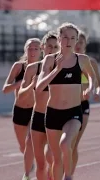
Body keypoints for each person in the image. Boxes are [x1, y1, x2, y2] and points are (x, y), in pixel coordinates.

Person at [36, 22, 97, 180]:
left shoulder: (82, 60)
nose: (68, 41)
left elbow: (92, 77)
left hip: (73, 112)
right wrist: (57, 69)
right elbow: (39, 86)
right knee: (56, 159)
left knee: (65, 145)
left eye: (72, 38)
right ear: (58, 39)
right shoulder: (49, 60)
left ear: (77, 40)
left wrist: (90, 88)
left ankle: (68, 176)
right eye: (65, 37)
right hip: (53, 114)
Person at [18, 31, 59, 180]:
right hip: (38, 117)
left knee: (52, 158)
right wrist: (31, 86)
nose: (52, 50)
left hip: (56, 117)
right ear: (43, 47)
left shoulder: (62, 69)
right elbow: (21, 95)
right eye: (49, 46)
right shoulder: (32, 69)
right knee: (41, 164)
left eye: (55, 47)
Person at [2, 38, 41, 180]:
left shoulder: (43, 67)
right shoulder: (18, 67)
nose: (32, 51)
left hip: (35, 110)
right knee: (22, 147)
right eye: (30, 48)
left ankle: (28, 175)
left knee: (29, 143)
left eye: (36, 48)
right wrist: (19, 83)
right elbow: (5, 89)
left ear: (41, 51)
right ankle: (30, 164)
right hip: (19, 110)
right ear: (25, 50)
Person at [72, 30, 100, 175]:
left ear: (85, 44)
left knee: (73, 144)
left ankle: (68, 175)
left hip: (82, 106)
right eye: (76, 41)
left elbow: (98, 84)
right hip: (64, 105)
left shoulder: (91, 62)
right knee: (62, 145)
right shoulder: (67, 61)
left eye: (81, 42)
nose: (78, 44)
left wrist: (96, 92)